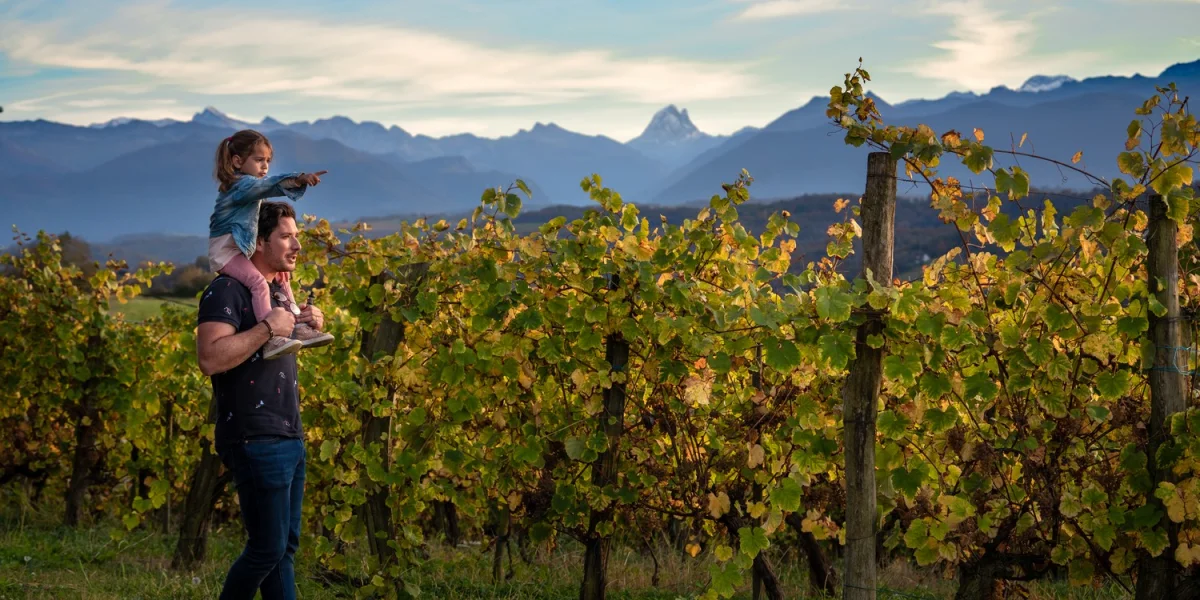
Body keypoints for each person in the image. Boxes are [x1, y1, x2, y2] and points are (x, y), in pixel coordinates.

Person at [196, 201, 324, 600]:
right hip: (254, 435)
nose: (296, 245)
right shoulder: (226, 289)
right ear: (258, 240)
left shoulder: (276, 292)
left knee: (282, 551)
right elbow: (210, 358)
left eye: (296, 236)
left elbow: (280, 339)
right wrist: (269, 327)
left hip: (289, 432)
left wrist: (306, 322)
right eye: (286, 236)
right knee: (266, 548)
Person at [210, 129, 333, 359]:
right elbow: (268, 185)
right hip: (226, 252)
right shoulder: (241, 185)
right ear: (237, 161)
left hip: (239, 246)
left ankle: (296, 323)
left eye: (267, 160)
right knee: (257, 283)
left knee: (282, 276)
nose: (265, 166)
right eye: (259, 160)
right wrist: (298, 179)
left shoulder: (245, 187)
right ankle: (273, 336)